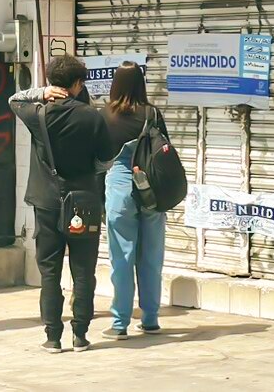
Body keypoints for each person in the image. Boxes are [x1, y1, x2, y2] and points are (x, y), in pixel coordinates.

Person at [10, 55, 113, 354]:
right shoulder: (93, 117)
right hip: (84, 202)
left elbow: (13, 99)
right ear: (78, 83)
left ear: (52, 83)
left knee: (50, 271)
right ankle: (80, 334)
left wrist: (40, 93)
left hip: (46, 202)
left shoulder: (36, 114)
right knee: (83, 270)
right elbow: (105, 159)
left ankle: (52, 336)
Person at [100, 61, 169, 340]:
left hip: (119, 187)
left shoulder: (105, 114)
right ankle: (150, 319)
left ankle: (119, 324)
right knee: (152, 256)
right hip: (151, 186)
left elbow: (99, 154)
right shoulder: (152, 113)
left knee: (122, 257)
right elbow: (165, 149)